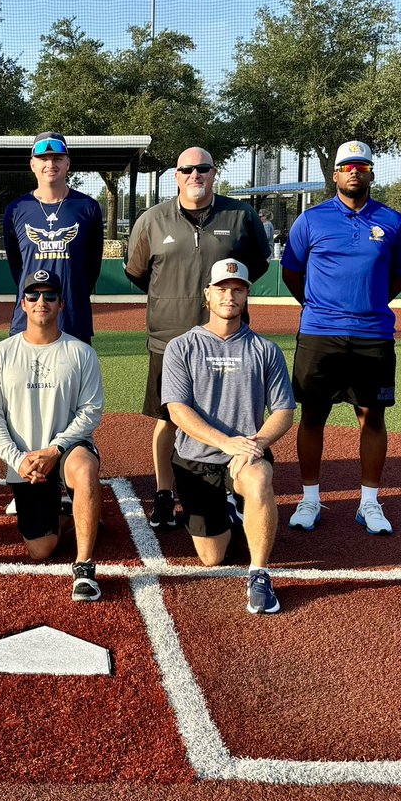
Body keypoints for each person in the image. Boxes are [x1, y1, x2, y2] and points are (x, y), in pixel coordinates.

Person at [124, 146, 270, 532]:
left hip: (227, 340)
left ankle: (233, 489)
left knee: (233, 413)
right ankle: (164, 493)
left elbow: (254, 267)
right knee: (167, 419)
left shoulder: (241, 216)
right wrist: (173, 301)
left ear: (214, 173)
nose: (195, 175)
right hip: (169, 341)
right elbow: (138, 273)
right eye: (187, 169)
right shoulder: (152, 220)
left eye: (203, 168)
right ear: (176, 176)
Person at [281, 140, 401, 536]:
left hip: (374, 335)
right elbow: (292, 272)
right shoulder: (311, 220)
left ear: (371, 173)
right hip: (320, 333)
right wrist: (318, 306)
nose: (355, 171)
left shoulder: (393, 222)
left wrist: (370, 303)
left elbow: (400, 275)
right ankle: (310, 500)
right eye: (348, 166)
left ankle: (369, 503)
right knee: (312, 415)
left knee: (372, 417)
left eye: (362, 166)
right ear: (336, 174)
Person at [162, 259, 295, 614]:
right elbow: (177, 410)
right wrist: (225, 442)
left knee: (259, 479)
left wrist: (256, 445)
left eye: (238, 289)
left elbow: (284, 411)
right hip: (196, 459)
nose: (229, 296)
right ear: (207, 294)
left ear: (247, 295)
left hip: (246, 456)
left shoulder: (265, 349)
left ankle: (259, 574)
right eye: (221, 289)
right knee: (212, 557)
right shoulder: (181, 347)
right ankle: (234, 511)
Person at [0, 270, 105, 602]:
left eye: (50, 296)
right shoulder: (0, 354)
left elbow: (91, 411)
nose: (41, 302)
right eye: (33, 295)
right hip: (26, 461)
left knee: (84, 469)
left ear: (61, 304)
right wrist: (19, 460)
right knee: (41, 549)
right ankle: (69, 512)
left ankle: (84, 565)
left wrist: (56, 449)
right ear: (22, 304)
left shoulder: (81, 352)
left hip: (67, 449)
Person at [2, 131, 104, 344]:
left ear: (68, 163)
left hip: (73, 321)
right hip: (28, 324)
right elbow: (17, 268)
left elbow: (92, 268)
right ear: (32, 164)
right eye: (43, 159)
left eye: (57, 158)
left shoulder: (88, 208)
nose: (50, 164)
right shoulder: (15, 210)